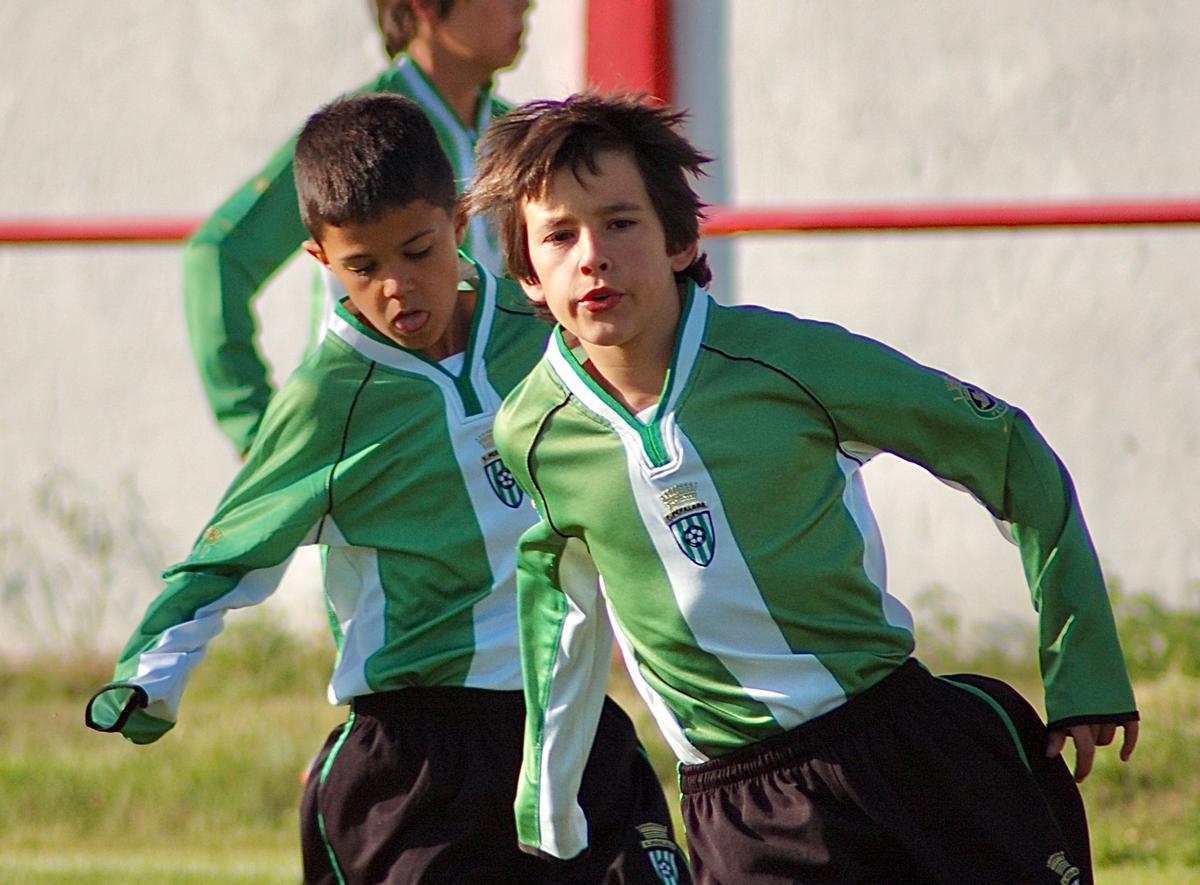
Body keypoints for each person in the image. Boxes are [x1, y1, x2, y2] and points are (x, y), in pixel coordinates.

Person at [466, 92, 1141, 884]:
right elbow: (559, 598)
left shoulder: (792, 362)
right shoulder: (531, 430)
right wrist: (546, 800)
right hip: (744, 810)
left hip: (900, 750)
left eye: (620, 221)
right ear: (527, 276)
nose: (592, 255)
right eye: (560, 235)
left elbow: (1005, 448)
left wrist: (1083, 662)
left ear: (680, 238)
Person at [87, 93, 690, 885]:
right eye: (363, 268)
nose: (398, 287)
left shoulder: (541, 327)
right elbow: (229, 552)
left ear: (458, 219)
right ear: (321, 261)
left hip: (571, 724)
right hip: (418, 759)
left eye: (418, 251)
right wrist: (151, 674)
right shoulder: (327, 398)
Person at [184, 0, 530, 457]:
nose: (527, 4)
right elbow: (219, 254)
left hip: (495, 443)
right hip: (375, 448)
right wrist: (254, 429)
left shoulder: (519, 134)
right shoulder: (355, 140)